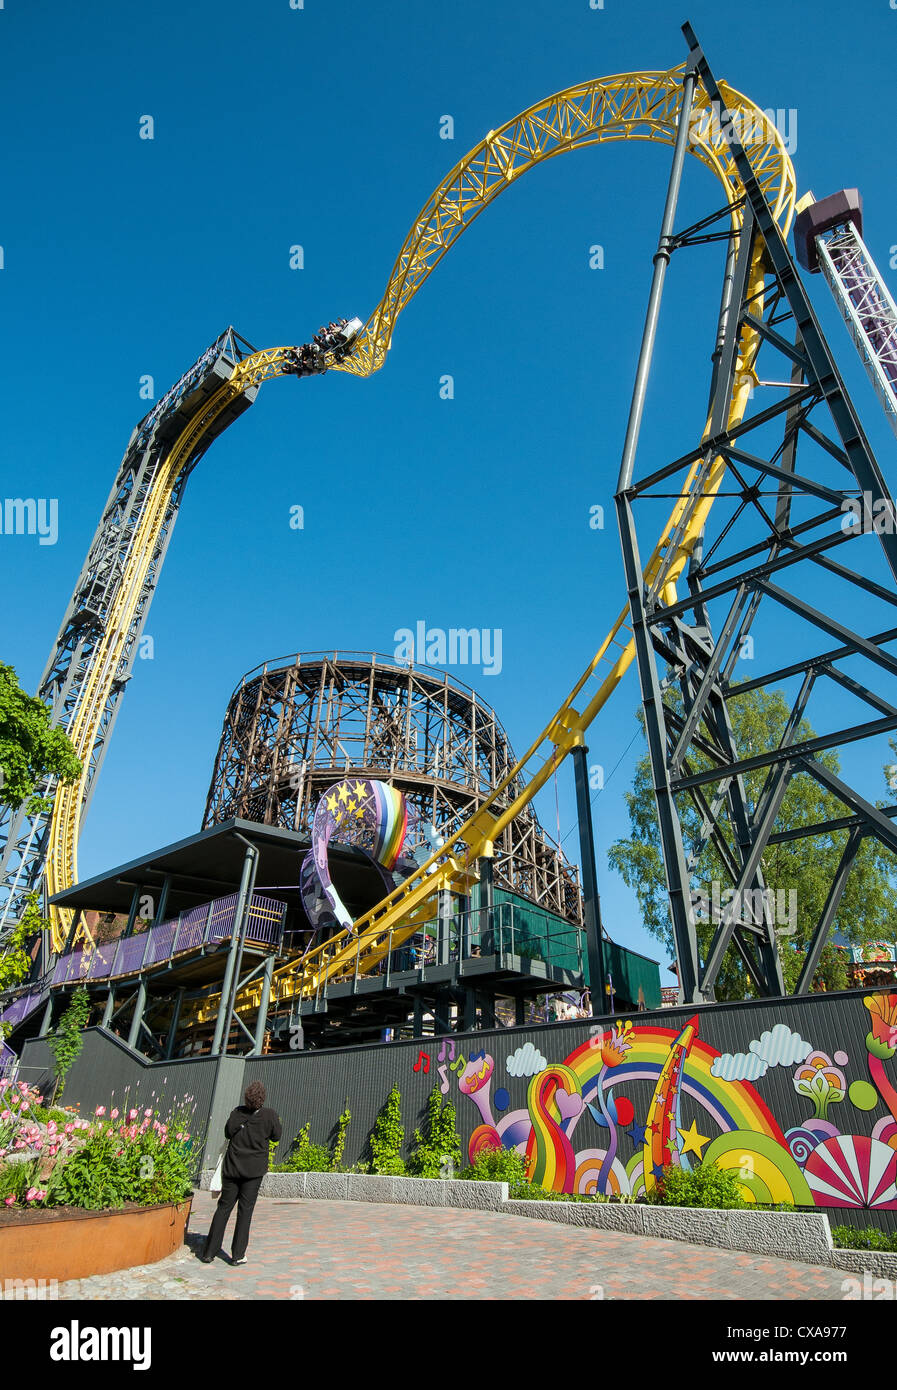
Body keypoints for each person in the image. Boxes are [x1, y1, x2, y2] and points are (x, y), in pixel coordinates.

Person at [200, 1080, 282, 1266]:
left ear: (246, 1097)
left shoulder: (237, 1113)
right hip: (253, 1172)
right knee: (245, 1212)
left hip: (232, 1169)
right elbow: (277, 1136)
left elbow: (228, 1133)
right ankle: (237, 1255)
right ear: (263, 1098)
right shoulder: (269, 1115)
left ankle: (208, 1252)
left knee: (223, 1208)